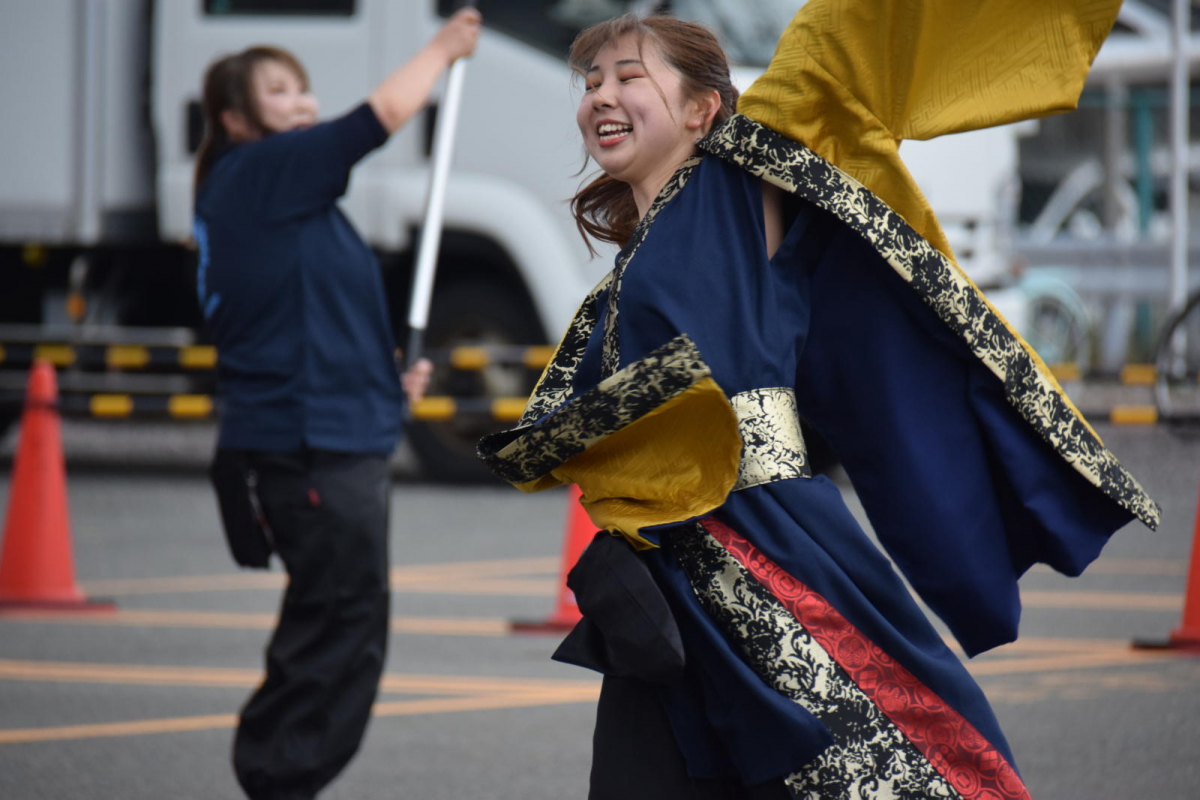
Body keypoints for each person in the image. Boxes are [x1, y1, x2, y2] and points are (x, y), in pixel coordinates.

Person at [478, 2, 1160, 799]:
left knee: (909, 772)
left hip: (764, 541)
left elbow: (833, 43)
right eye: (590, 81)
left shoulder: (737, 185)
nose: (598, 95)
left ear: (705, 109)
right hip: (665, 571)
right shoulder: (629, 270)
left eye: (630, 76)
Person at [192, 9, 481, 800]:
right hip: (309, 445)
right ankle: (279, 777)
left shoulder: (296, 207)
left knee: (335, 621)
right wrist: (442, 48)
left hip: (329, 435)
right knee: (339, 626)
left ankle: (281, 776)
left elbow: (309, 323)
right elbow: (377, 120)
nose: (303, 102)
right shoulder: (260, 172)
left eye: (304, 87)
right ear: (236, 118)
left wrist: (386, 379)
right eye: (280, 91)